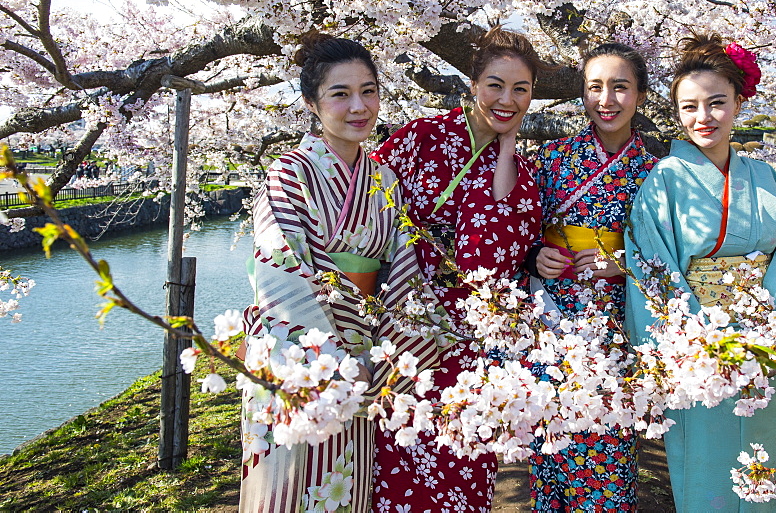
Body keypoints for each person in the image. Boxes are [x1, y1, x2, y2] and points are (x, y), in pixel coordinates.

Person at [239, 32, 439, 513]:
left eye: (368, 91)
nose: (358, 106)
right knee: (288, 485)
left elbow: (403, 269)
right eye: (340, 94)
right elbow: (281, 267)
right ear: (312, 102)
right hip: (304, 359)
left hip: (368, 357)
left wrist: (390, 352)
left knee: (347, 485)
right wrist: (336, 356)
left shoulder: (384, 179)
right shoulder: (290, 172)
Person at [625, 32, 776, 512]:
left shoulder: (765, 176)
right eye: (689, 107)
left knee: (761, 454)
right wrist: (691, 343)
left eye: (716, 103)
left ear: (738, 102)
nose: (702, 118)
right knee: (704, 459)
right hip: (699, 347)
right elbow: (652, 268)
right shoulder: (664, 178)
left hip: (765, 335)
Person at [371, 26, 545, 513]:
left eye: (521, 89)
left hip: (471, 340)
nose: (506, 99)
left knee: (464, 460)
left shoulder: (522, 173)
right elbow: (367, 204)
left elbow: (497, 258)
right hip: (406, 326)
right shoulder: (423, 137)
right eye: (495, 84)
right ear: (472, 84)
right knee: (398, 455)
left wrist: (507, 148)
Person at [524, 43, 658, 511]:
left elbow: (669, 257)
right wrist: (536, 255)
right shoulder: (551, 158)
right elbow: (519, 231)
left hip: (615, 327)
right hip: (550, 317)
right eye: (595, 86)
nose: (607, 99)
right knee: (550, 452)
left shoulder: (657, 172)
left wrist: (621, 263)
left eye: (620, 87)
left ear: (640, 94)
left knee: (607, 448)